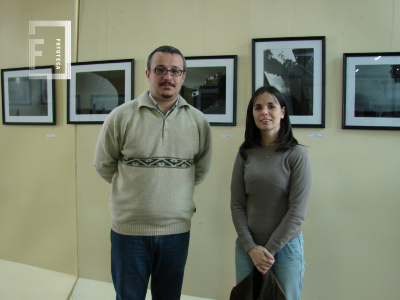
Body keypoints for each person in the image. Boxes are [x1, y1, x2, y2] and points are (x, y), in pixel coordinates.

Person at [94, 45, 212, 300]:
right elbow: (104, 165)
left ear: (183, 76)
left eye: (175, 71)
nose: (167, 76)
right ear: (148, 74)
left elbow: (200, 169)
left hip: (176, 232)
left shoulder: (199, 122)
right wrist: (137, 194)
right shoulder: (121, 117)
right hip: (129, 232)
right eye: (160, 69)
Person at [230, 86, 312, 300]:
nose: (264, 112)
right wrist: (251, 248)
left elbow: (297, 212)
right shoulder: (245, 153)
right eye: (258, 107)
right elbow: (237, 204)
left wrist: (268, 252)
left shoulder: (297, 154)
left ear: (283, 112)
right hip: (248, 249)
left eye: (271, 106)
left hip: (285, 250)